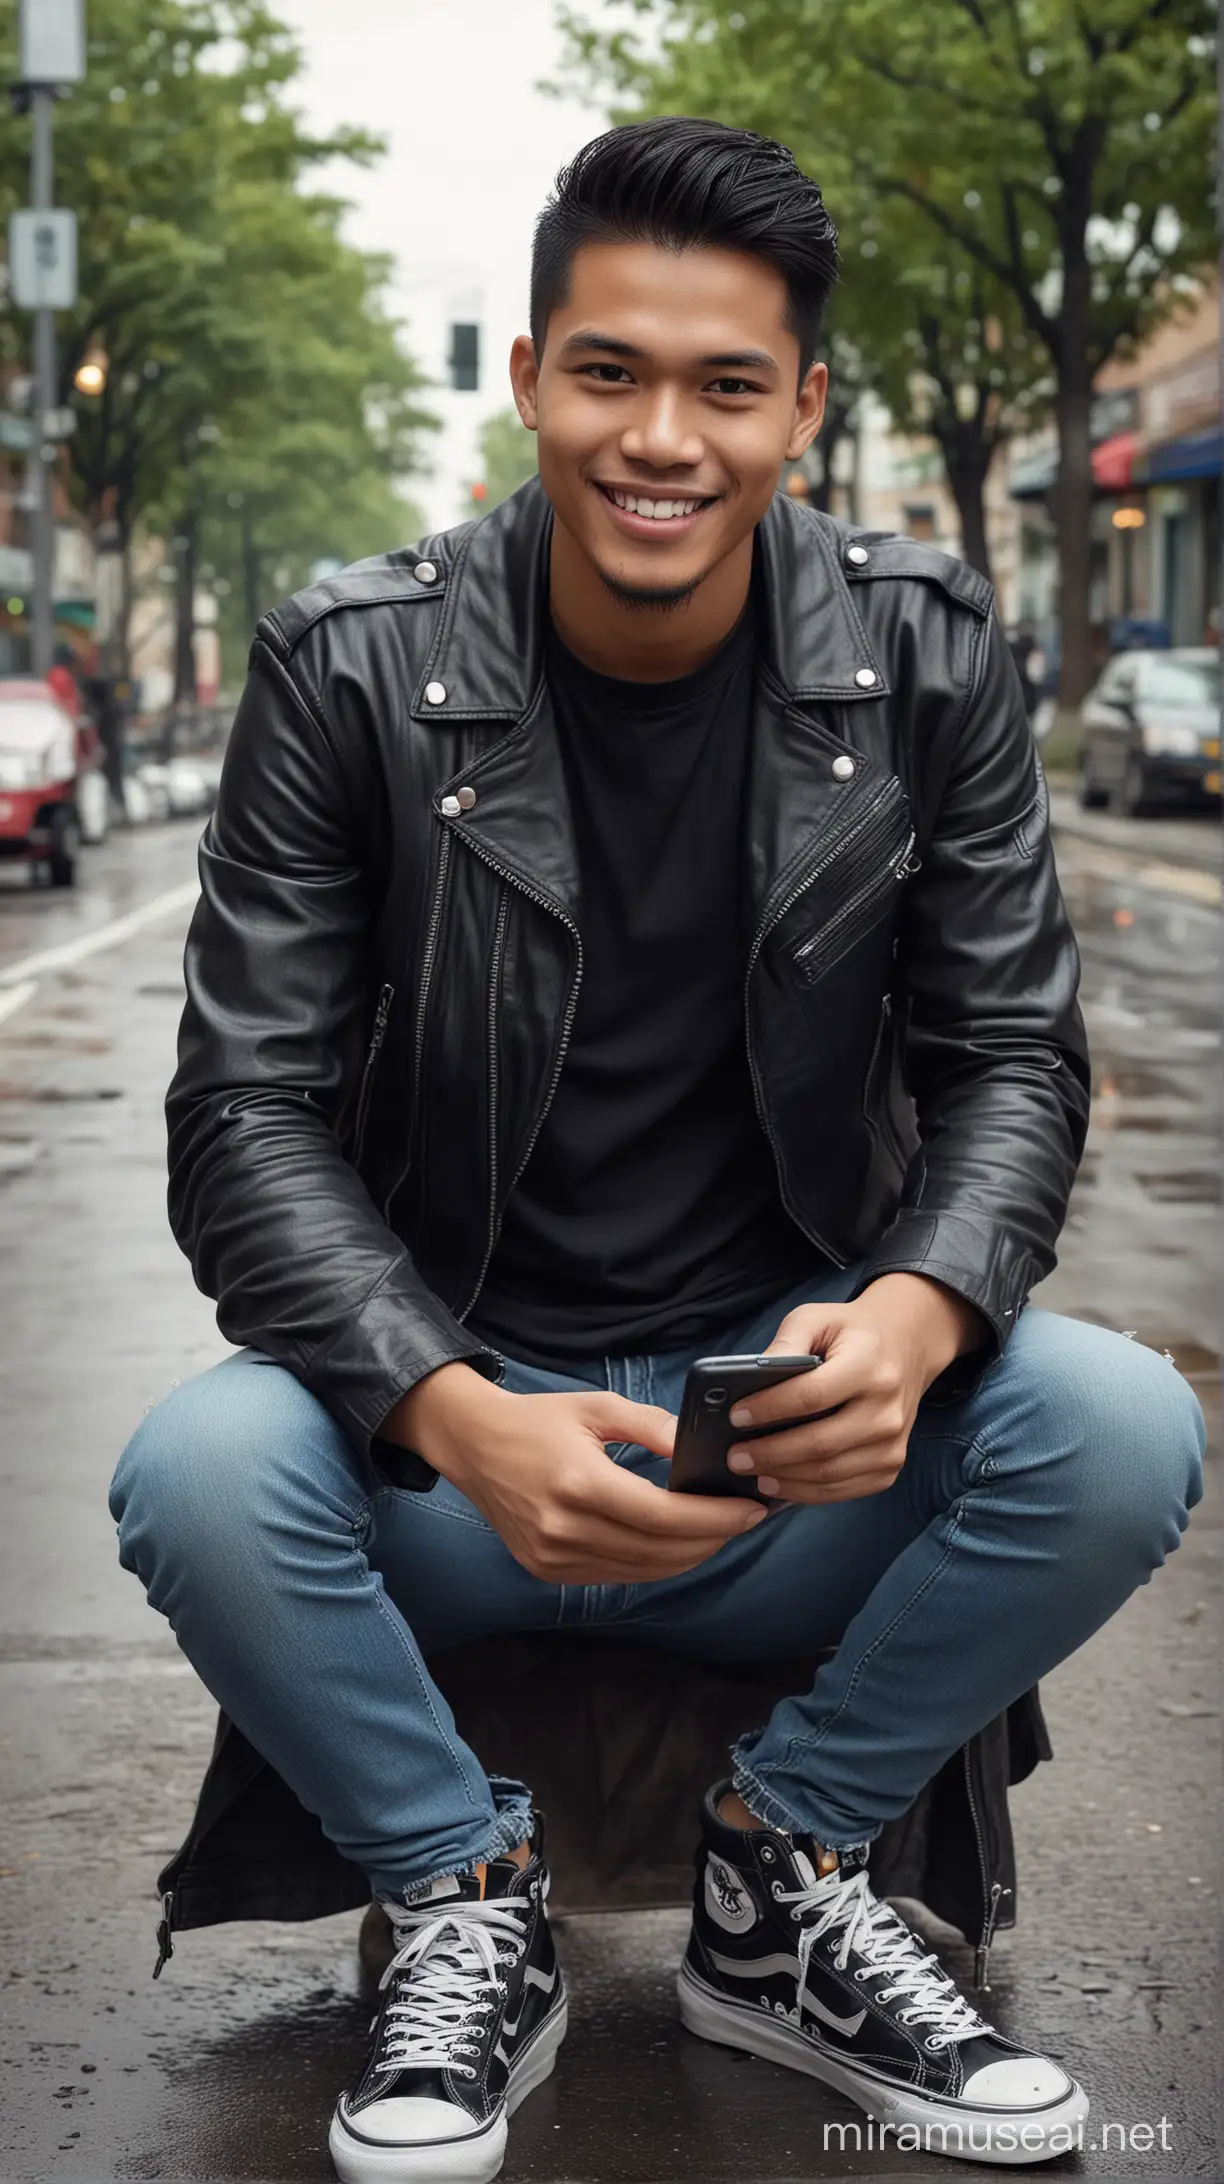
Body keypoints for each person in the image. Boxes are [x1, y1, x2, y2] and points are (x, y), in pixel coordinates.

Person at [109, 119, 1204, 2180]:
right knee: (200, 1473)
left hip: (787, 1446)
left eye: (724, 385)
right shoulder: (348, 665)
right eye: (608, 373)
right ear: (524, 379)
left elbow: (1012, 1068)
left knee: (1121, 1429)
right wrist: (449, 1412)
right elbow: (238, 1114)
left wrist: (909, 1314)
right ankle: (463, 1898)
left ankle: (780, 1875)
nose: (660, 440)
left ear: (805, 404)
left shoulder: (932, 652)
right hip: (455, 1453)